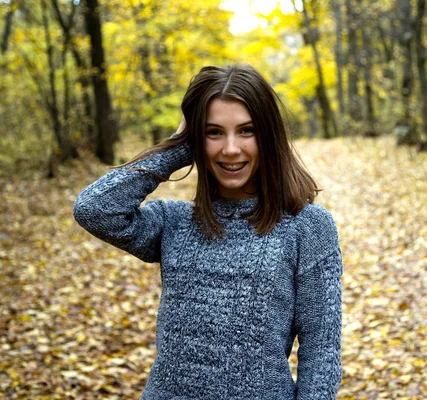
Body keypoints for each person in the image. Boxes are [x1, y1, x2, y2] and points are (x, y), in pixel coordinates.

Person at [73, 64, 343, 399]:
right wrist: (178, 147)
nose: (230, 149)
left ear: (268, 136)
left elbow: (321, 354)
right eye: (214, 132)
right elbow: (94, 209)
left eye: (247, 131)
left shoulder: (308, 227)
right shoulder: (173, 221)